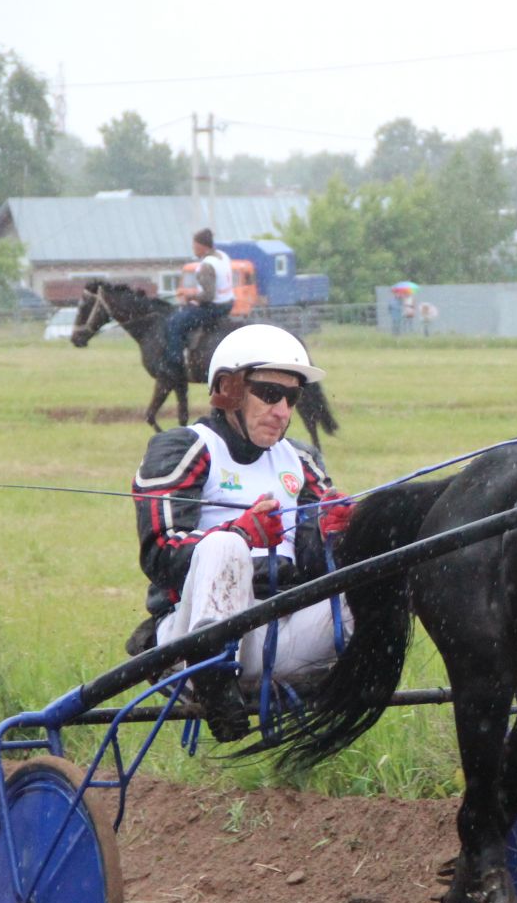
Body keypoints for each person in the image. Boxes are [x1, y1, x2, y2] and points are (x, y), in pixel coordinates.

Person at [129, 323, 353, 741]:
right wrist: (243, 533)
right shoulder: (184, 448)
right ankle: (214, 677)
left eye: (291, 397)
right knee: (226, 544)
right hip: (189, 639)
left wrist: (334, 533)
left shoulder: (302, 459)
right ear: (228, 389)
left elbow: (316, 563)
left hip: (284, 637)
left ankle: (356, 680)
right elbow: (160, 554)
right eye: (269, 394)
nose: (282, 410)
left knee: (380, 563)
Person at [163, 227, 234, 375]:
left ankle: (174, 363)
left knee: (174, 322)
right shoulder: (222, 255)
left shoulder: (206, 266)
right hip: (228, 302)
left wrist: (190, 297)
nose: (193, 249)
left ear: (202, 246)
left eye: (194, 246)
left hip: (215, 307)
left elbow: (209, 295)